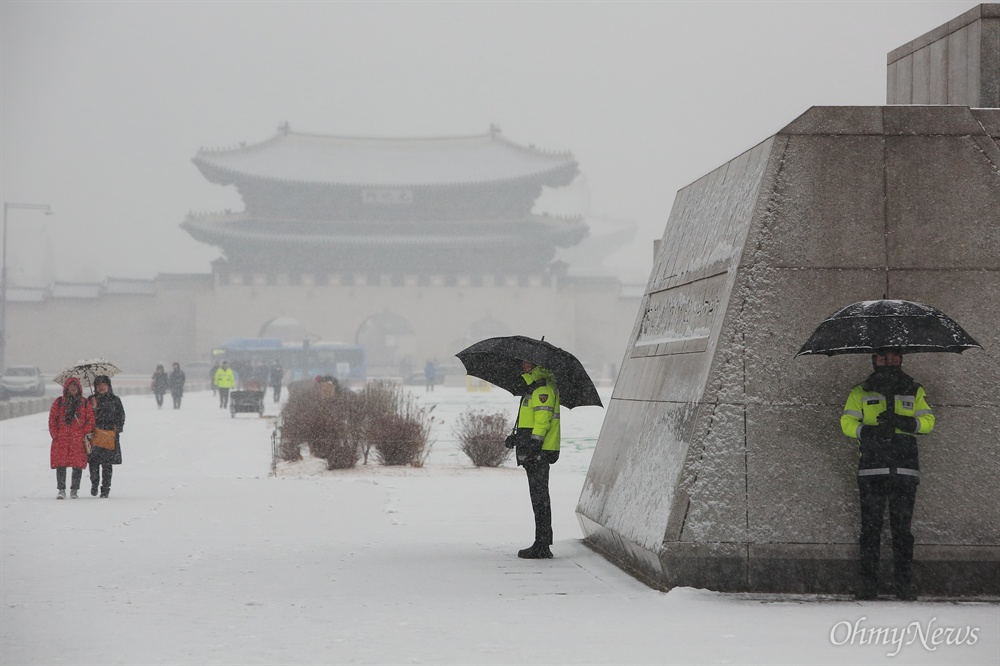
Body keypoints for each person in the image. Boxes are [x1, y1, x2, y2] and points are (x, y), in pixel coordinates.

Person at [841, 348, 934, 601]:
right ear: (874, 360)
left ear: (901, 359)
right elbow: (846, 423)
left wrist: (904, 423)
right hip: (872, 469)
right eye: (882, 357)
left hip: (904, 470)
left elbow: (928, 422)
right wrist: (869, 432)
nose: (888, 361)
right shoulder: (861, 391)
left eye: (893, 356)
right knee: (870, 531)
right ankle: (868, 586)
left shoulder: (914, 390)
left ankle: (904, 586)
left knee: (902, 531)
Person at [505, 360, 561, 559]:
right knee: (538, 499)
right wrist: (517, 438)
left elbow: (542, 422)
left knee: (540, 499)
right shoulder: (532, 388)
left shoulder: (542, 390)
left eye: (527, 363)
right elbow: (530, 420)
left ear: (536, 365)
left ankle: (542, 545)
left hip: (539, 453)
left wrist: (534, 446)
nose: (522, 365)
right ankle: (541, 542)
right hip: (533, 451)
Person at [48, 377, 95, 499]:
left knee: (77, 464)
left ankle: (74, 490)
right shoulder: (59, 403)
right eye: (71, 385)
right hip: (61, 439)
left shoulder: (84, 403)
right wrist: (55, 434)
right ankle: (61, 489)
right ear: (66, 388)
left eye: (75, 386)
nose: (73, 388)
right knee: (60, 464)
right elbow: (52, 419)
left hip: (77, 439)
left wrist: (83, 432)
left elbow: (90, 420)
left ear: (79, 388)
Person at [88, 375, 126, 498]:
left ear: (108, 386)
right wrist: (93, 408)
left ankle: (105, 489)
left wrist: (117, 429)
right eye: (99, 385)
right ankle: (94, 483)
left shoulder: (115, 400)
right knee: (93, 463)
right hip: (94, 435)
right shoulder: (91, 399)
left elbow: (121, 416)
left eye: (104, 384)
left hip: (110, 435)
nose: (101, 387)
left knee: (107, 464)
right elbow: (86, 417)